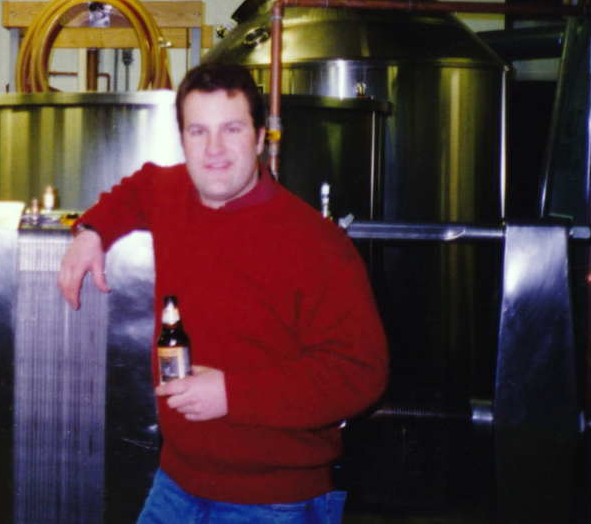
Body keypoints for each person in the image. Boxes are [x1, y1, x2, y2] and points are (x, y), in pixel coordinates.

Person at [58, 62, 388, 524]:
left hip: (275, 500)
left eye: (231, 129)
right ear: (184, 140)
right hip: (175, 483)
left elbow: (360, 373)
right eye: (198, 132)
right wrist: (90, 231)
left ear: (260, 139)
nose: (213, 149)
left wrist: (234, 393)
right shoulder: (171, 192)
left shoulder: (316, 243)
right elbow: (136, 188)